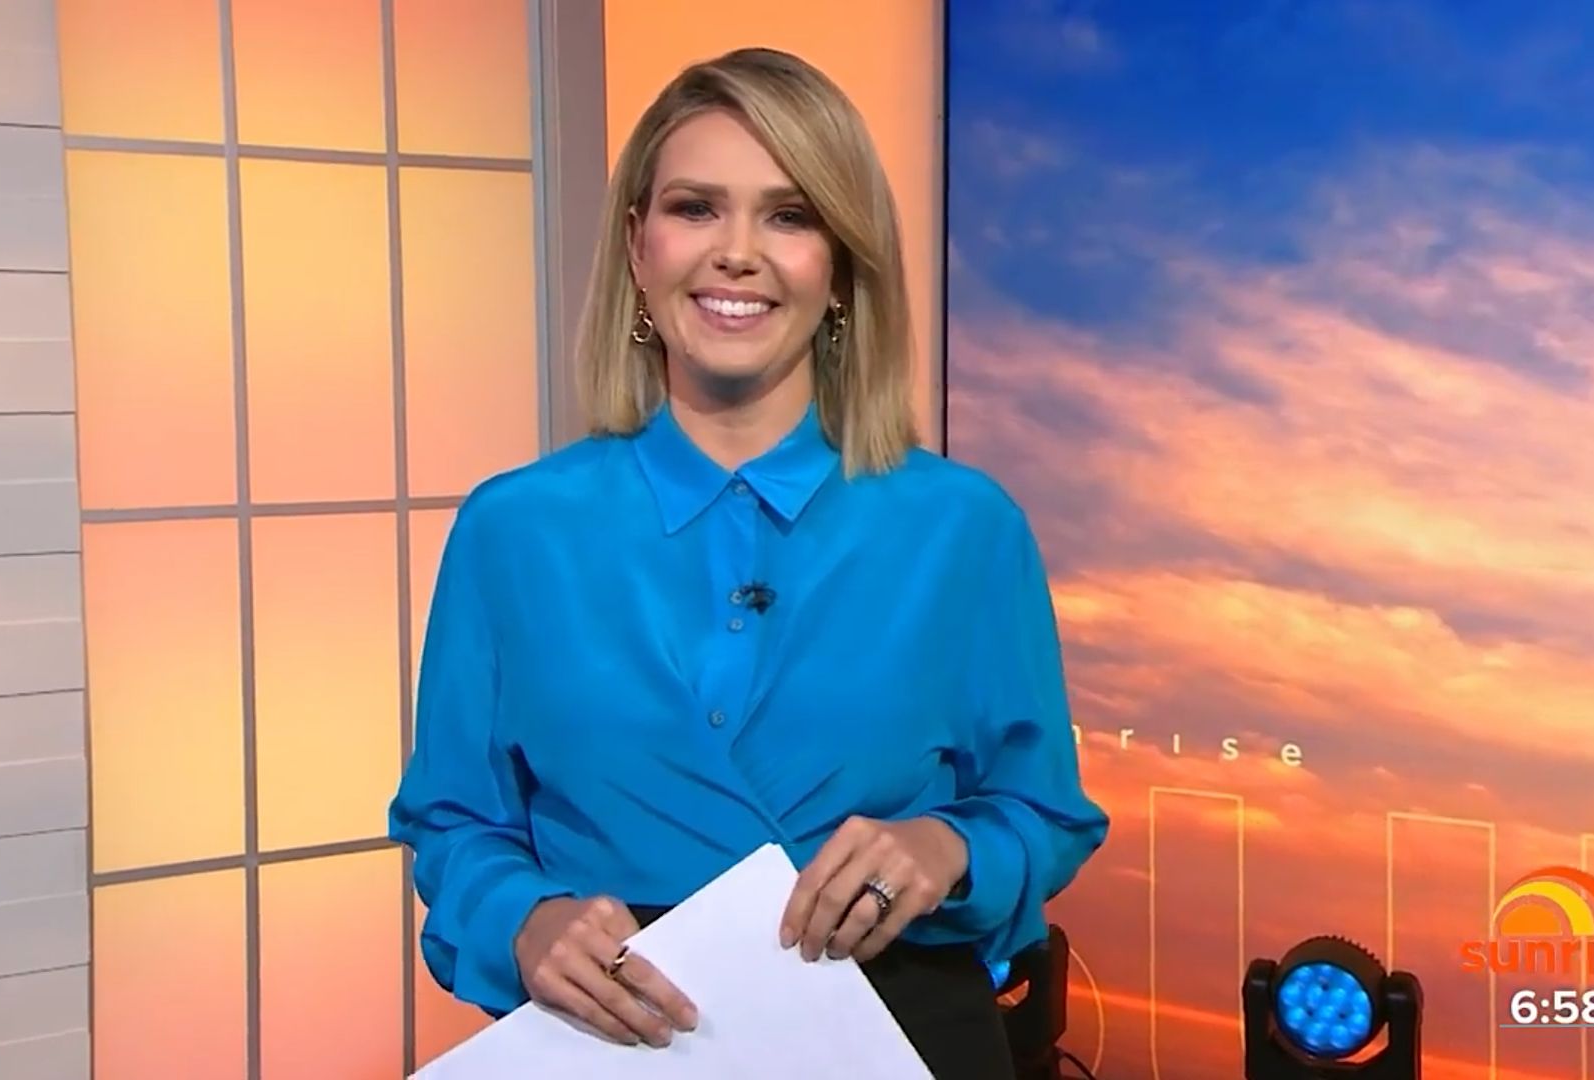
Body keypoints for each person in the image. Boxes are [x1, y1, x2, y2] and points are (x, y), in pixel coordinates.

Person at [387, 46, 1107, 1079]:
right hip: (614, 1039)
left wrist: (946, 850)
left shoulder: (966, 527)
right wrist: (522, 919)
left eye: (789, 215)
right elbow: (454, 821)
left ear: (841, 265)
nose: (737, 253)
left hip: (898, 1031)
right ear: (638, 247)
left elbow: (1044, 813)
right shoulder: (513, 530)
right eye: (696, 208)